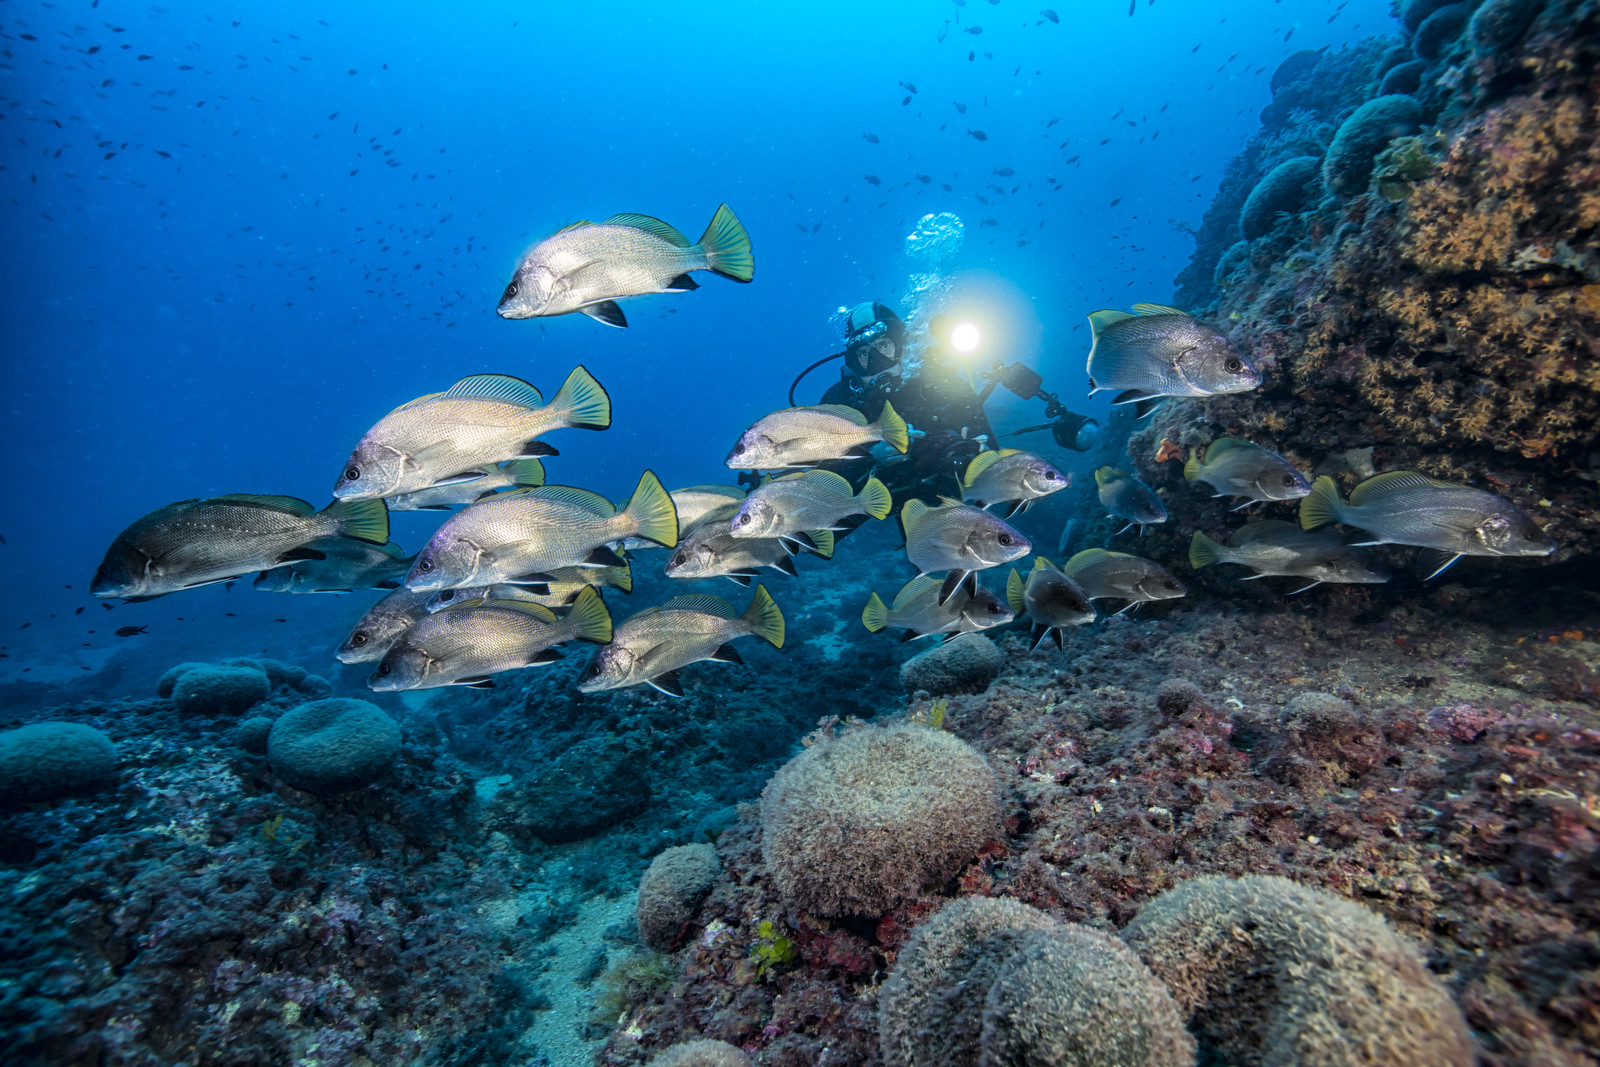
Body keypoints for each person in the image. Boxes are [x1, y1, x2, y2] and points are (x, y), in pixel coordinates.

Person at [780, 301, 1098, 504]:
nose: (876, 361)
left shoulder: (943, 385)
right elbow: (823, 477)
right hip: (872, 497)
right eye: (863, 355)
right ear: (851, 361)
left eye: (884, 346)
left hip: (944, 494)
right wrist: (869, 456)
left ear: (903, 345)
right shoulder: (840, 400)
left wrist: (949, 450)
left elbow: (989, 451)